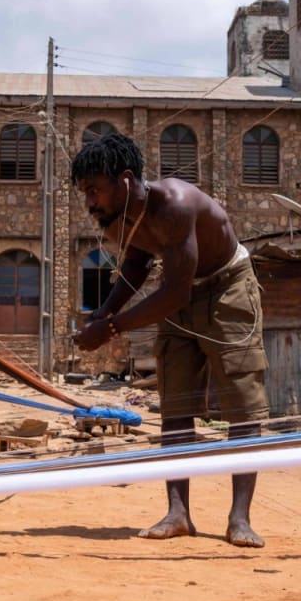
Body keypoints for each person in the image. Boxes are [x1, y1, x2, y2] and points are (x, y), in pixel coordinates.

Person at [70, 133, 269, 548]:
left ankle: (239, 518)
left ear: (125, 181)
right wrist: (104, 311)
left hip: (227, 287)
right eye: (85, 191)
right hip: (179, 287)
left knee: (241, 404)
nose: (89, 201)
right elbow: (139, 262)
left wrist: (109, 329)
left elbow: (174, 292)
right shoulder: (119, 217)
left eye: (94, 190)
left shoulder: (175, 205)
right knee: (176, 403)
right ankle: (178, 514)